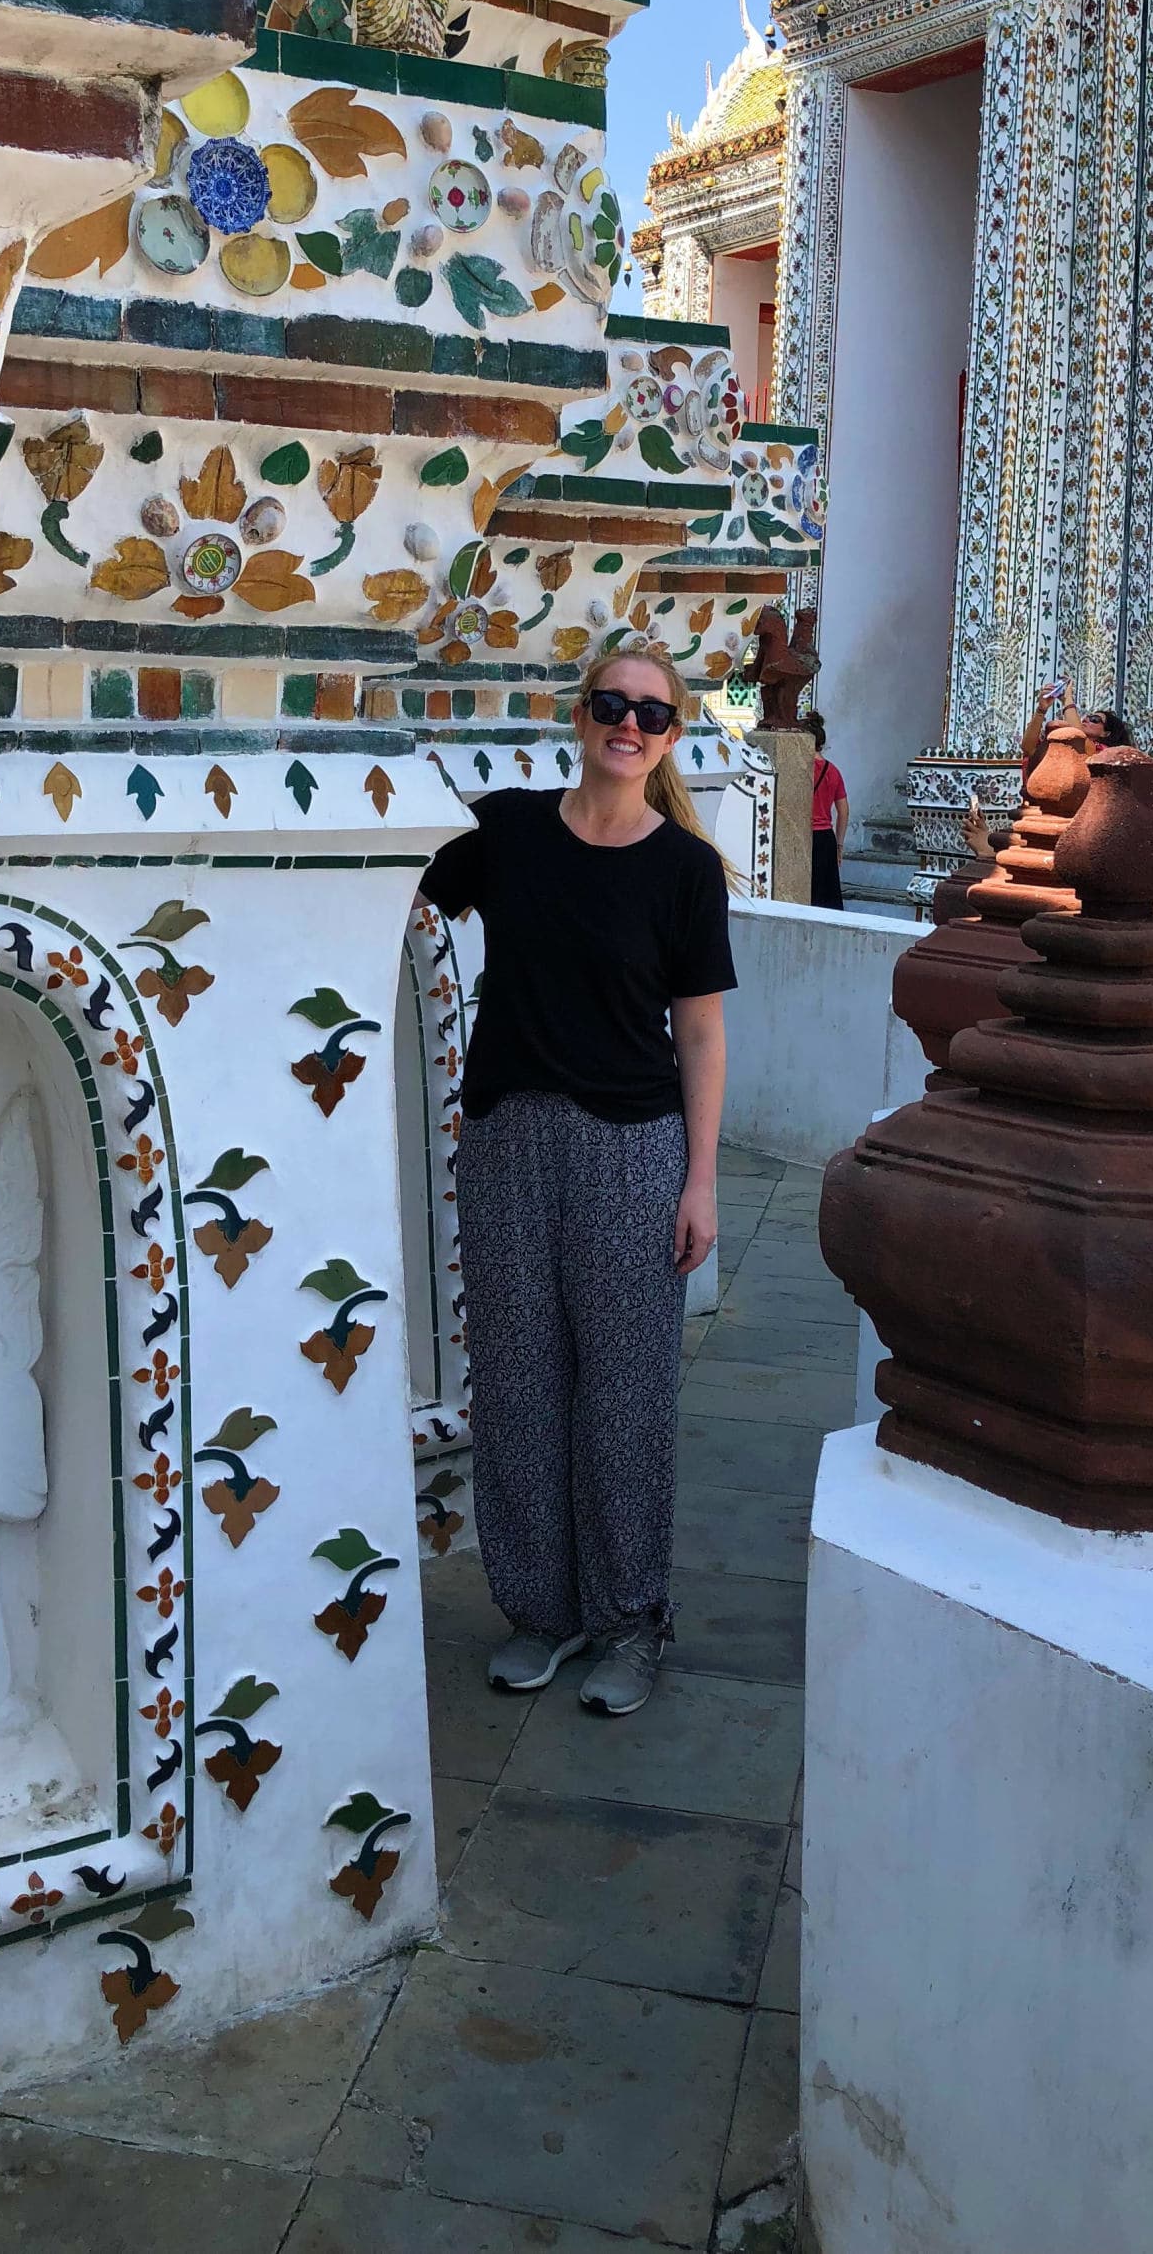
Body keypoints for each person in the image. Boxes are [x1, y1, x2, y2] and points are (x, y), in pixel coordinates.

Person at [417, 642, 735, 1718]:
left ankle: (629, 1619)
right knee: (513, 1382)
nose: (628, 725)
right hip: (506, 1139)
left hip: (629, 1147)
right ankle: (538, 1613)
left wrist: (699, 1181)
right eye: (611, 704)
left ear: (673, 734)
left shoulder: (684, 870)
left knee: (623, 1394)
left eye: (651, 714)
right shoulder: (507, 831)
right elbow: (396, 882)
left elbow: (700, 1036)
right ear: (580, 712)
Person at [804, 711, 847, 911]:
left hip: (804, 836)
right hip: (826, 838)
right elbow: (843, 811)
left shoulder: (801, 770)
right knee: (827, 896)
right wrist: (839, 845)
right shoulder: (833, 771)